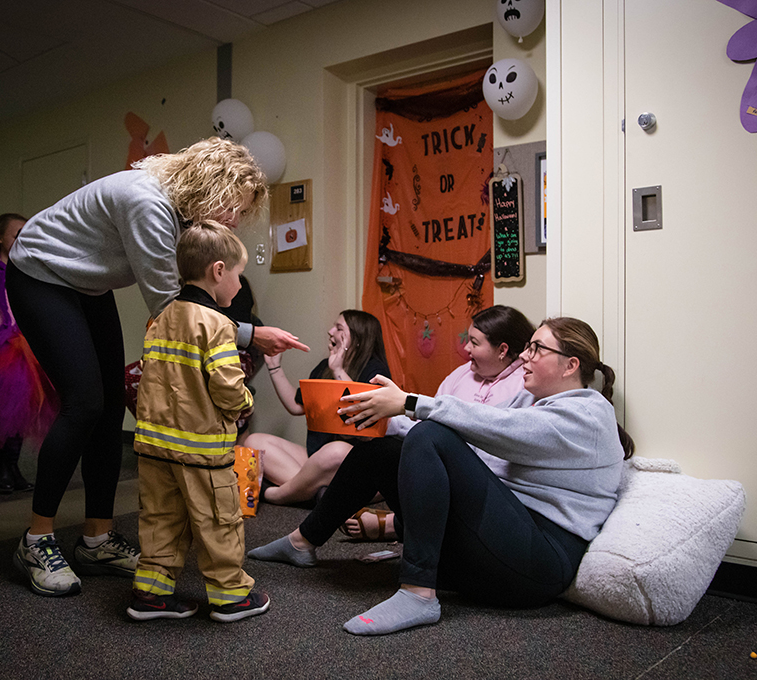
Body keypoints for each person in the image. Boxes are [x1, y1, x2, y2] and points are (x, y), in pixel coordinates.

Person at [6, 137, 309, 598]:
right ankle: (36, 540)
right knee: (85, 403)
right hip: (41, 273)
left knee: (110, 409)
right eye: (235, 208)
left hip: (87, 284)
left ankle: (97, 539)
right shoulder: (147, 202)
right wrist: (250, 334)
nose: (234, 220)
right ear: (213, 188)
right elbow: (175, 308)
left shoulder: (179, 211)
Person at [248, 316, 635, 636]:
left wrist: (411, 404)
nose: (526, 358)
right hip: (499, 547)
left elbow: (501, 430)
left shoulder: (589, 413)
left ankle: (418, 592)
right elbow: (479, 449)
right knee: (385, 451)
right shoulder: (537, 403)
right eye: (527, 348)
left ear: (571, 365)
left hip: (537, 566)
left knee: (430, 434)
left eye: (537, 349)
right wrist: (387, 412)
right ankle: (303, 541)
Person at [128, 222, 269, 622]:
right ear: (218, 271)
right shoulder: (217, 324)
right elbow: (226, 387)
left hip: (154, 448)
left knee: (160, 520)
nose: (240, 286)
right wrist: (243, 402)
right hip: (201, 451)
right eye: (239, 275)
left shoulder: (160, 317)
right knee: (218, 522)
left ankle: (151, 595)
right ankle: (230, 596)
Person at [339, 304, 534, 540]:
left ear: (502, 350)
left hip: (489, 488)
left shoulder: (525, 385)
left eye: (474, 342)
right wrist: (384, 421)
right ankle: (305, 537)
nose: (466, 347)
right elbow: (428, 427)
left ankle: (395, 525)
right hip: (441, 471)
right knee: (377, 450)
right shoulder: (460, 375)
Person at [241, 309, 390, 505]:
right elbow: (296, 406)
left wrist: (338, 370)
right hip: (318, 458)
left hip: (355, 460)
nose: (330, 331)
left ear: (357, 338)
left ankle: (278, 494)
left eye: (338, 328)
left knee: (335, 450)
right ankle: (320, 495)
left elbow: (364, 419)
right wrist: (273, 366)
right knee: (254, 441)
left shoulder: (375, 370)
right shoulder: (323, 367)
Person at [0, 213, 57, 492]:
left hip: (22, 345)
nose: (22, 239)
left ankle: (11, 467)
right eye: (17, 234)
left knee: (21, 410)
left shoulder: (26, 269)